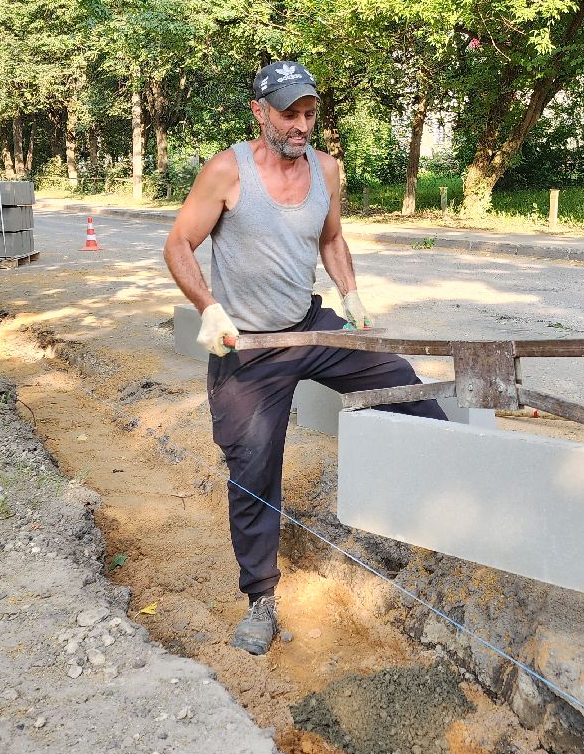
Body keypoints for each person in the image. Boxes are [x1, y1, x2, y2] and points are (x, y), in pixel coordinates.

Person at [163, 60, 445, 656]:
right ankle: (260, 598)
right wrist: (209, 308)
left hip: (307, 325)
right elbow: (179, 244)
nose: (301, 125)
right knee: (253, 468)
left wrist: (353, 295)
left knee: (398, 379)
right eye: (289, 113)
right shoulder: (226, 172)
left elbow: (331, 237)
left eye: (309, 113)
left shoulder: (327, 170)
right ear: (259, 112)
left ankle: (447, 495)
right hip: (250, 346)